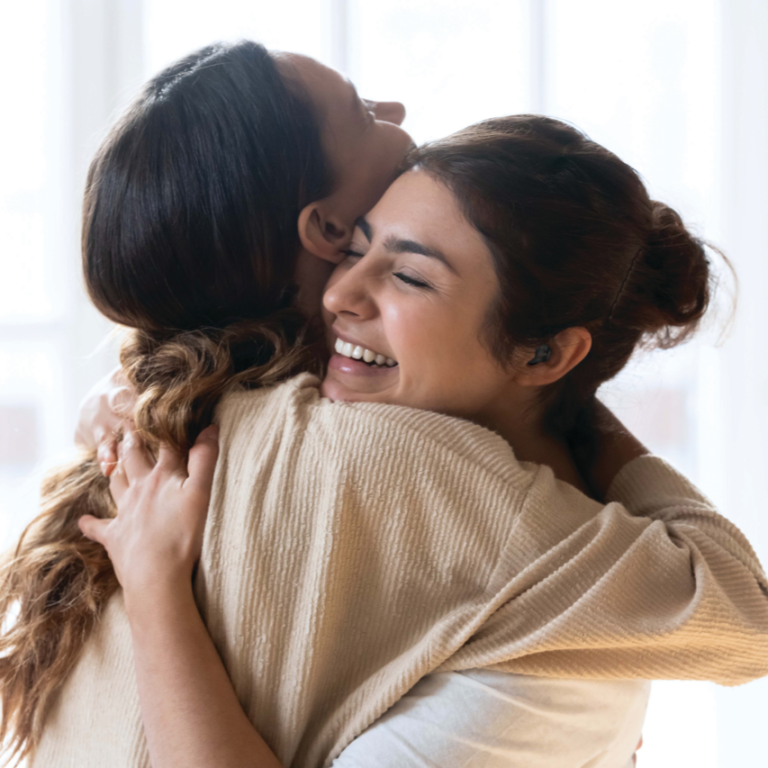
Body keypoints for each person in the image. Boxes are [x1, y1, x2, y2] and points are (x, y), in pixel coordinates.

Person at [0, 40, 764, 768]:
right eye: (363, 110)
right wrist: (567, 400)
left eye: (409, 272)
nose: (396, 110)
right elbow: (745, 620)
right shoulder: (394, 463)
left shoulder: (159, 418)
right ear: (327, 232)